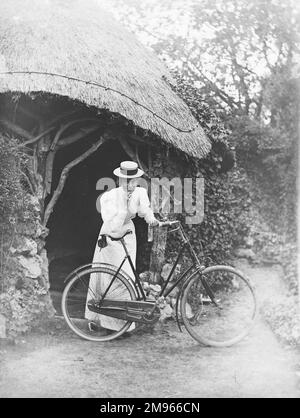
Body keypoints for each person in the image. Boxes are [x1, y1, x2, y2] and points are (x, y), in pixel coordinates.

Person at [85, 161, 160, 333]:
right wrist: (123, 207)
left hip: (127, 236)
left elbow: (145, 211)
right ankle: (99, 320)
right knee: (106, 275)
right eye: (126, 181)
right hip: (110, 236)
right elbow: (110, 221)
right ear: (119, 180)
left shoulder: (140, 192)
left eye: (133, 181)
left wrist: (152, 220)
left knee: (124, 276)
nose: (130, 185)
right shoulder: (110, 196)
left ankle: (121, 325)